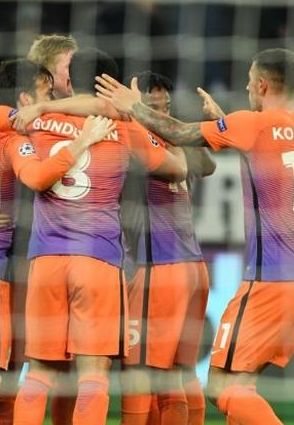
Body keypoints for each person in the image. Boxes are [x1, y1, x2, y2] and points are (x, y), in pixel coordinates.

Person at [96, 48, 294, 425]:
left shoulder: (252, 124)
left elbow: (180, 132)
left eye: (251, 82)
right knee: (239, 385)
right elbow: (271, 154)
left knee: (223, 387)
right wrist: (224, 123)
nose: (248, 89)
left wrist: (132, 106)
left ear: (263, 84)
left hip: (271, 280)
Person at [10, 48, 187, 425]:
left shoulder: (40, 120)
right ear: (114, 85)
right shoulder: (125, 127)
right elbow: (177, 168)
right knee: (94, 374)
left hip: (45, 259)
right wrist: (139, 112)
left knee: (39, 372)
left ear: (70, 82)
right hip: (98, 260)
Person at [0, 58, 113, 425]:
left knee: (4, 386)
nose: (51, 95)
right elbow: (36, 178)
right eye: (45, 90)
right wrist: (82, 142)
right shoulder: (17, 141)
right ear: (23, 97)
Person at [119, 71, 215, 425]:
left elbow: (205, 165)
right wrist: (198, 132)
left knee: (140, 369)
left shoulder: (138, 141)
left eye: (166, 104)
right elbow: (208, 165)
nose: (161, 112)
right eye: (153, 105)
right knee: (180, 371)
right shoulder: (174, 140)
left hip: (158, 267)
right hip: (192, 269)